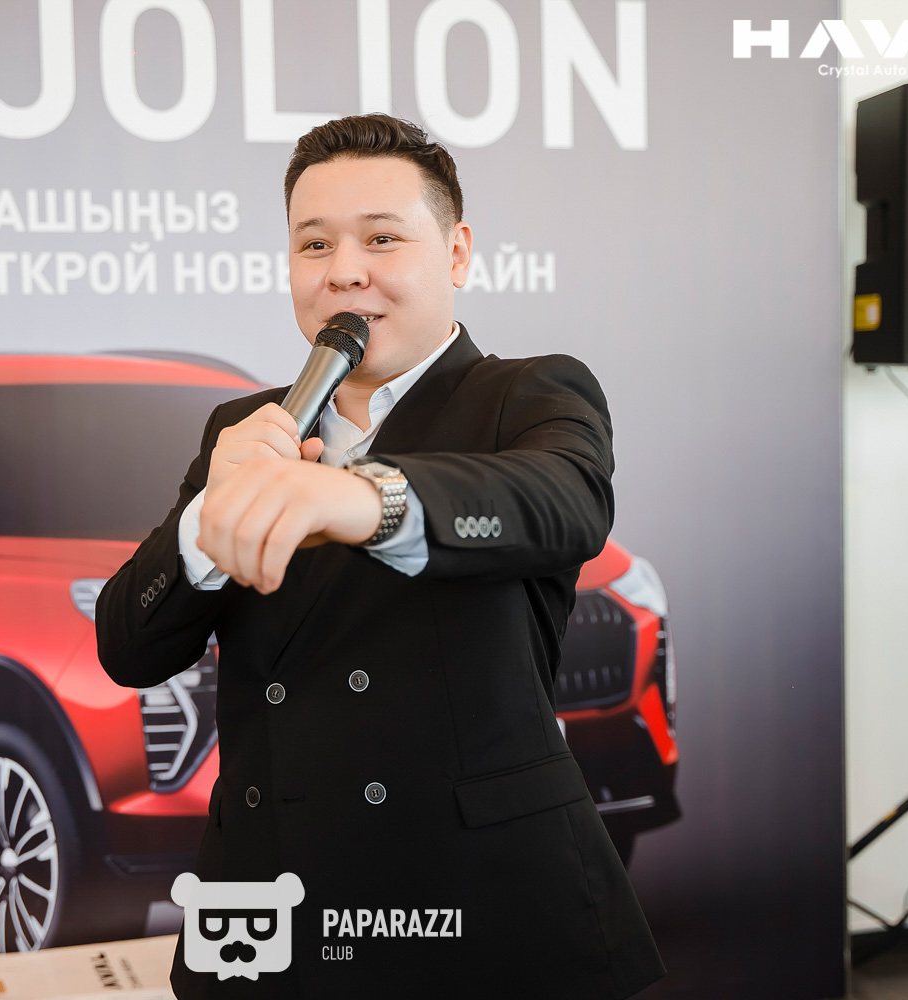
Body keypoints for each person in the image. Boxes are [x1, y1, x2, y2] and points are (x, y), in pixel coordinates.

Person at [95, 113, 664, 999]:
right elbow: (129, 647)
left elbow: (564, 503)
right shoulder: (244, 430)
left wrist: (365, 497)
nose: (344, 270)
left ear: (456, 253)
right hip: (274, 915)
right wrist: (208, 516)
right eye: (314, 243)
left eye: (382, 238)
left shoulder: (527, 394)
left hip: (480, 908)